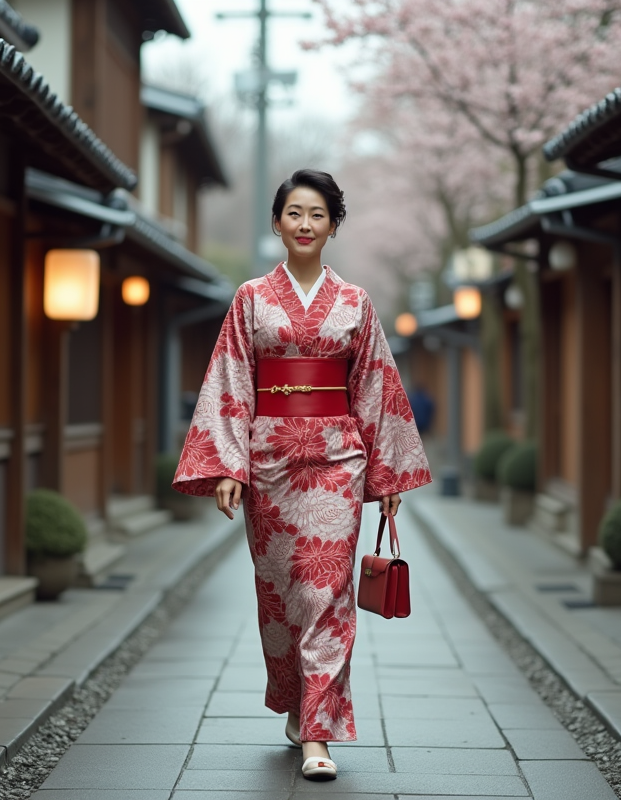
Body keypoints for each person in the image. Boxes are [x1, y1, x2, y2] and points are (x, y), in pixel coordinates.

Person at [172, 169, 431, 781]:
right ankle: (295, 697)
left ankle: (318, 733)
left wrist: (387, 474)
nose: (305, 225)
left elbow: (374, 385)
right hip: (270, 463)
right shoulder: (250, 299)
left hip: (339, 460)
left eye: (317, 215)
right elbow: (232, 379)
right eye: (294, 213)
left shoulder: (356, 303)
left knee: (325, 590)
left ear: (334, 225)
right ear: (276, 222)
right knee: (282, 597)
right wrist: (228, 464)